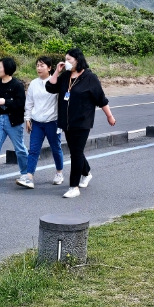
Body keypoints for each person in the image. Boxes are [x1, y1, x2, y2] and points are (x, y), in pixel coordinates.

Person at [45, 48, 116, 198]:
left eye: (69, 60)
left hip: (82, 121)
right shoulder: (65, 76)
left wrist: (110, 116)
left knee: (76, 153)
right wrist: (57, 72)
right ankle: (87, 173)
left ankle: (74, 187)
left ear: (78, 60)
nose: (67, 62)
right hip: (66, 122)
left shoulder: (90, 78)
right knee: (75, 150)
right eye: (66, 59)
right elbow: (50, 87)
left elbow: (101, 99)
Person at [20, 56, 64, 189]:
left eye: (42, 65)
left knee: (56, 148)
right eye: (37, 65)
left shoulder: (56, 82)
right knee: (33, 150)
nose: (39, 68)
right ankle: (29, 176)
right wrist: (27, 118)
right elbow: (29, 103)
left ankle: (59, 173)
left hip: (52, 122)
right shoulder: (33, 83)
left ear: (49, 68)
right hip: (37, 122)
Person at [0, 57, 29, 185]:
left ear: (7, 69)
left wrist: (5, 101)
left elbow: (20, 103)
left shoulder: (17, 85)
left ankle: (26, 174)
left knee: (20, 148)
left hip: (13, 121)